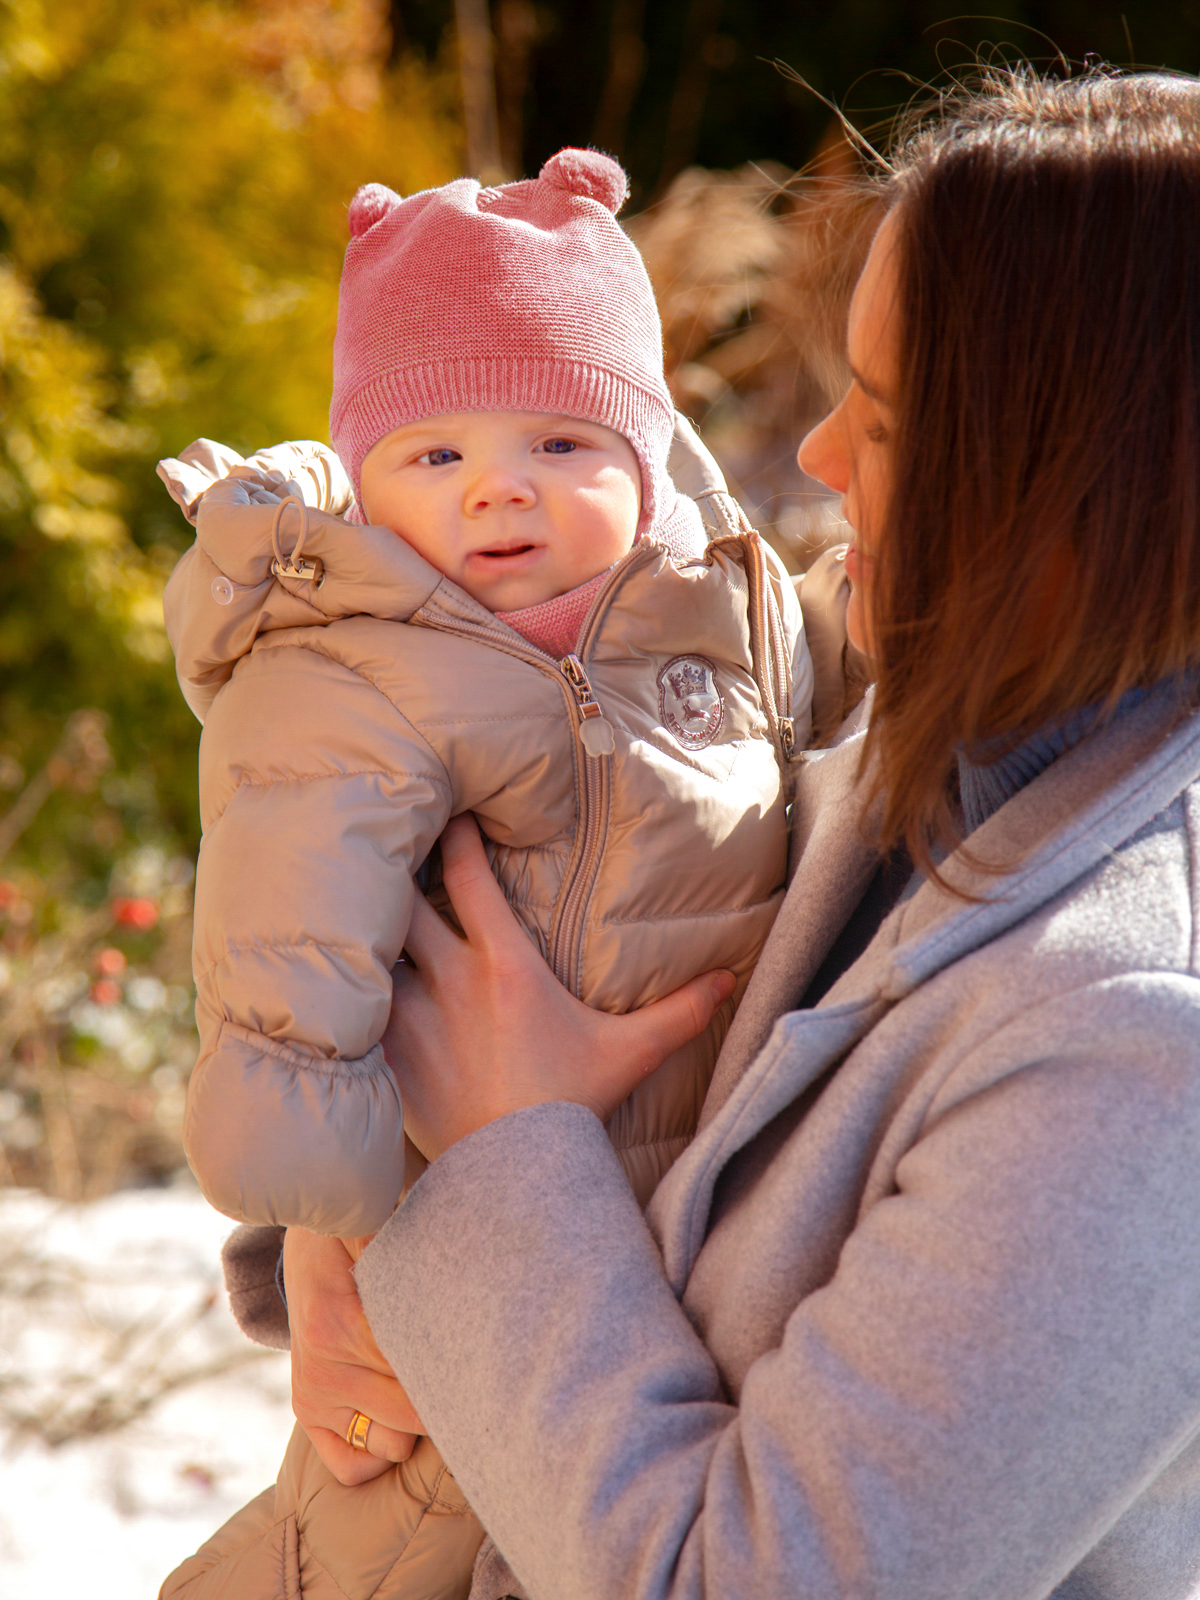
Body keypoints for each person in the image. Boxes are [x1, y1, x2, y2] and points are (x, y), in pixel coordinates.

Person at [267, 68, 1200, 1600]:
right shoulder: (896, 719)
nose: (821, 460)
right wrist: (347, 1220)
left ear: (1084, 494)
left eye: (887, 421)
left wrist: (499, 1161)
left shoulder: (1140, 1046)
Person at [157, 148, 818, 1597]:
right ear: (370, 475)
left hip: (675, 1231)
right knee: (402, 1530)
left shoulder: (718, 624)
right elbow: (286, 906)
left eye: (561, 447)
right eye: (437, 455)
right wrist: (326, 1206)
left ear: (644, 462)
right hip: (455, 1219)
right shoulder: (354, 667)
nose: (500, 494)